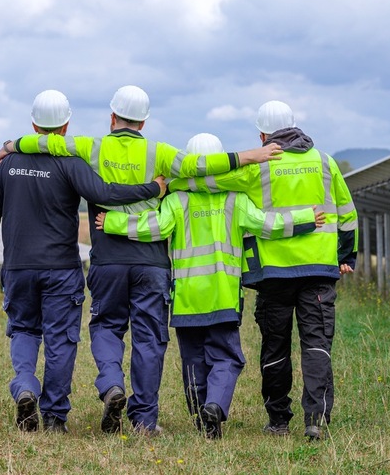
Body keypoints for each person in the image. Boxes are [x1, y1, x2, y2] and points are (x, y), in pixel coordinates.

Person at [0, 86, 283, 436]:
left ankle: (112, 383)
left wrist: (12, 145)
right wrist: (251, 155)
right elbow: (199, 166)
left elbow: (49, 144)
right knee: (148, 340)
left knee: (105, 327)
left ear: (112, 116)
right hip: (151, 262)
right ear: (144, 121)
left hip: (108, 259)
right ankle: (144, 420)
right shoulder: (159, 152)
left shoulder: (91, 147)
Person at [95, 133, 325, 439]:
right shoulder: (236, 199)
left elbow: (156, 227)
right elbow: (267, 224)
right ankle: (215, 406)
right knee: (227, 357)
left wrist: (112, 222)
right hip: (224, 296)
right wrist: (306, 218)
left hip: (188, 299)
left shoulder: (176, 199)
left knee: (192, 360)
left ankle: (200, 416)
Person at [0, 89, 166, 434]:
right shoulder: (72, 163)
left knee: (23, 329)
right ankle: (54, 418)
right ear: (65, 127)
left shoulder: (8, 166)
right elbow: (106, 194)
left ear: (34, 123)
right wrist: (152, 188)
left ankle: (25, 386)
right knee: (61, 340)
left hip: (18, 267)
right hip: (62, 269)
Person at [168, 101, 358, 440]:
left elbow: (207, 181)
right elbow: (347, 214)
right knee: (316, 345)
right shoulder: (326, 163)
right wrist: (347, 256)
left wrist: (169, 184)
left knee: (276, 347)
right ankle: (315, 419)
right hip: (319, 270)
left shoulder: (258, 168)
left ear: (262, 134)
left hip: (274, 275)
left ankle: (278, 421)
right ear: (296, 127)